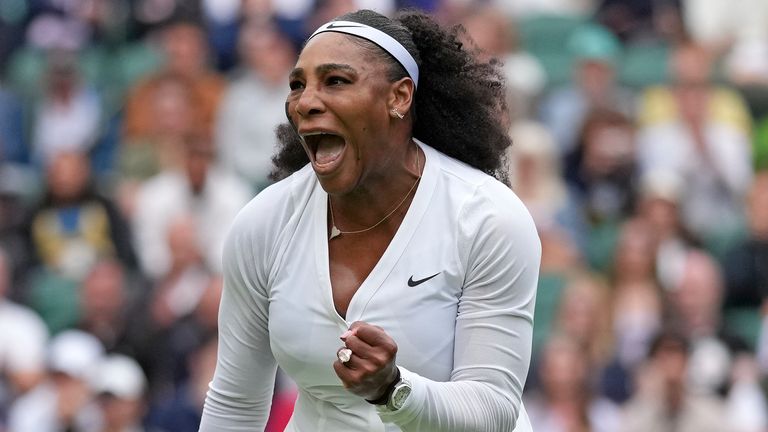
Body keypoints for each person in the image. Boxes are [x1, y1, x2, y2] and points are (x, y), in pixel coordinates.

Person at [200, 8, 540, 432]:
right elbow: (235, 404)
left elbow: (493, 408)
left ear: (399, 97)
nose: (305, 102)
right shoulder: (263, 223)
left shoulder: (488, 217)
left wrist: (393, 389)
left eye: (336, 81)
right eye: (297, 85)